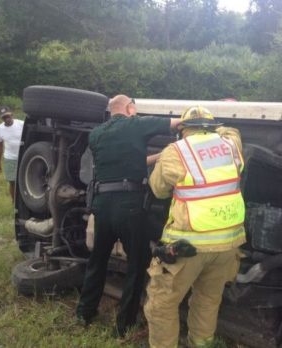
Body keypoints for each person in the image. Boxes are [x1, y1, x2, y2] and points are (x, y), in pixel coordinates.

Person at [76, 95, 181, 337]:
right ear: (130, 108)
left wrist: (160, 156)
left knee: (98, 260)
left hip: (102, 204)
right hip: (129, 205)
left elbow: (131, 160)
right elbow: (175, 123)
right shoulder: (136, 124)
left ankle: (84, 312)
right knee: (138, 262)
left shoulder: (96, 135)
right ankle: (124, 325)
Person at [145, 106, 246, 348]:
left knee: (161, 304)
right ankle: (201, 344)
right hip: (228, 245)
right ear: (210, 126)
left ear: (182, 130)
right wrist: (215, 127)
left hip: (187, 245)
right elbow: (232, 130)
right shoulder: (231, 145)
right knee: (208, 300)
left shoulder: (176, 151)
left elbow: (158, 189)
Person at [0, 106, 24, 201]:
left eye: (8, 116)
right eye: (4, 117)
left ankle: (24, 200)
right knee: (12, 182)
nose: (7, 119)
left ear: (12, 114)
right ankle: (14, 202)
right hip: (10, 158)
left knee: (23, 180)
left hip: (23, 156)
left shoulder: (21, 124)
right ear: (1, 118)